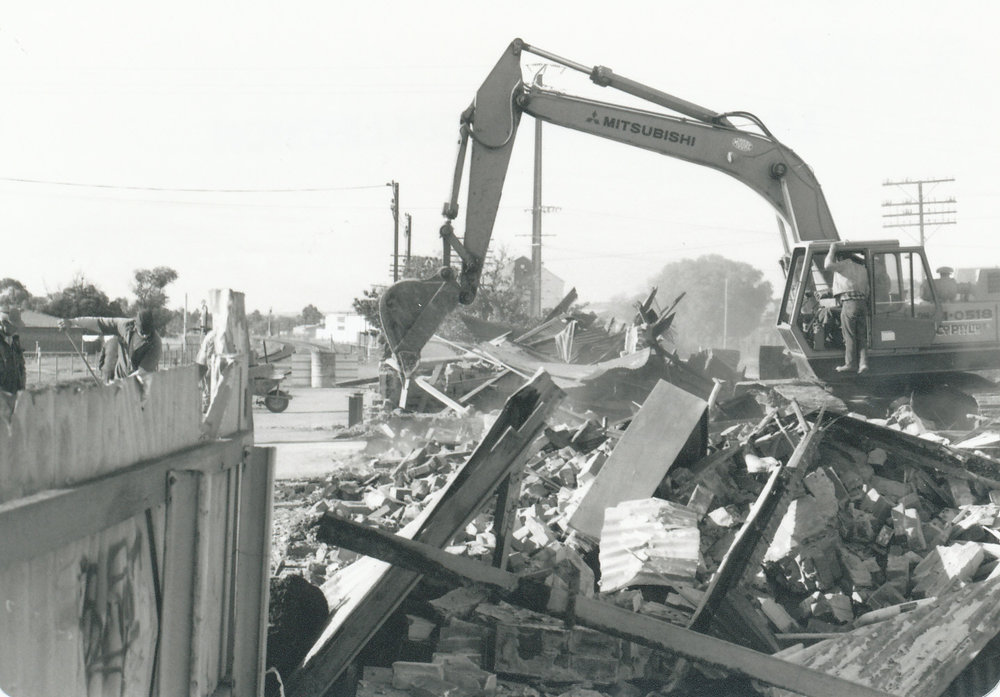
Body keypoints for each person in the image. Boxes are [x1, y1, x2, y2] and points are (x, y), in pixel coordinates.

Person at [58, 308, 162, 380]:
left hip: (140, 386)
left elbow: (142, 373)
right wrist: (72, 322)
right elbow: (99, 322)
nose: (144, 336)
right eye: (142, 333)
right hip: (120, 381)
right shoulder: (125, 326)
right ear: (135, 325)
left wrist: (119, 386)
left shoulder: (155, 343)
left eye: (147, 333)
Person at [824, 241, 870, 374]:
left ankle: (850, 364)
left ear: (839, 257)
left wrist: (832, 249)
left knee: (849, 335)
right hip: (862, 304)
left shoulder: (844, 265)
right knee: (862, 336)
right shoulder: (862, 268)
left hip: (849, 304)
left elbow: (827, 265)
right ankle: (863, 364)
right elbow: (867, 290)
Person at [0, 307, 27, 393]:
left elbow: (21, 368)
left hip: (15, 397)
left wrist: (22, 389)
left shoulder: (15, 342)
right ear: (4, 323)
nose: (16, 329)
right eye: (14, 326)